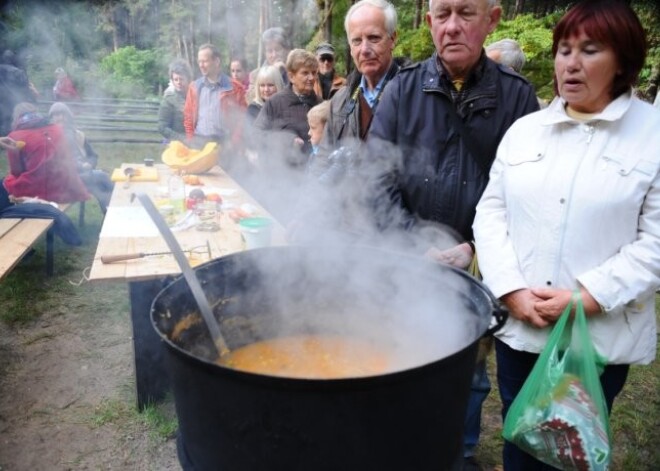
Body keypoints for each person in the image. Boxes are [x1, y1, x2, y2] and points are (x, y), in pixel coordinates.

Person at [472, 1, 659, 469]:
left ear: (623, 63)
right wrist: (511, 290)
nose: (570, 63)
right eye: (563, 50)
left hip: (594, 340)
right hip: (523, 329)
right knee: (520, 441)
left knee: (570, 451)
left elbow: (655, 241)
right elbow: (490, 213)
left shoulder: (651, 136)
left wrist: (587, 297)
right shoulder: (525, 132)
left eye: (590, 50)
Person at [366, 0, 539, 469]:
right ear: (428, 23)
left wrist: (476, 248)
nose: (453, 26)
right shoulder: (401, 91)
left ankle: (456, 451)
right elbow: (375, 179)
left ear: (493, 19)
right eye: (442, 14)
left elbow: (527, 196)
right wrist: (411, 240)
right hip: (406, 260)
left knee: (470, 370)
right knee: (398, 352)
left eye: (466, 13)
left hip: (480, 265)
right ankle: (398, 445)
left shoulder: (518, 98)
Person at [308, 0, 405, 179]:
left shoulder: (413, 95)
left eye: (374, 38)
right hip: (346, 204)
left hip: (392, 206)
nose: (365, 49)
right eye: (357, 41)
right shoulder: (340, 101)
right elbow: (322, 161)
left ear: (392, 39)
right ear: (350, 48)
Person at [4, 102, 89, 204]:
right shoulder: (57, 129)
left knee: (5, 183)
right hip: (67, 188)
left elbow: (16, 171)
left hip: (38, 191)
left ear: (16, 117)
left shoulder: (14, 136)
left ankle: (8, 215)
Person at [253, 48, 321, 169]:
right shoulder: (275, 102)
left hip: (311, 177)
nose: (311, 78)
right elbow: (256, 134)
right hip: (280, 176)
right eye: (305, 73)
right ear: (291, 76)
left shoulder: (321, 105)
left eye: (314, 72)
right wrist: (287, 140)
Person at [183, 43, 246, 167]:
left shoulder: (234, 88)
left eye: (205, 61)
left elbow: (242, 119)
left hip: (223, 143)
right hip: (199, 142)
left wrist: (233, 142)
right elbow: (188, 116)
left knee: (223, 182)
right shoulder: (194, 87)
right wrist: (191, 139)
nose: (201, 65)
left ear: (216, 61)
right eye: (199, 61)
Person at [49, 102, 114, 214]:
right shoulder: (49, 138)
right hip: (65, 180)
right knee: (102, 177)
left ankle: (110, 215)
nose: (59, 118)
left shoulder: (77, 134)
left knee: (101, 187)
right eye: (55, 115)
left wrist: (90, 164)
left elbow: (93, 155)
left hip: (83, 176)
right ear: (51, 118)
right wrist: (80, 167)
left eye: (61, 114)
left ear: (67, 116)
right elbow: (57, 163)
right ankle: (115, 213)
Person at [247, 27, 290, 103]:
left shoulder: (295, 72)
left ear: (286, 50)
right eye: (270, 51)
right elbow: (251, 102)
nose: (274, 55)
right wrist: (273, 73)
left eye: (278, 49)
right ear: (265, 53)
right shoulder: (255, 75)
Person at [0, 52, 36, 135]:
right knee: (13, 128)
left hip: (2, 105)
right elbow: (26, 92)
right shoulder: (19, 72)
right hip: (15, 104)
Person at [158, 59, 193, 142]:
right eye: (176, 79)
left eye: (181, 79)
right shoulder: (168, 101)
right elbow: (162, 127)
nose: (178, 82)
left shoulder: (196, 97)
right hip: (174, 145)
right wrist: (181, 138)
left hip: (195, 143)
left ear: (188, 79)